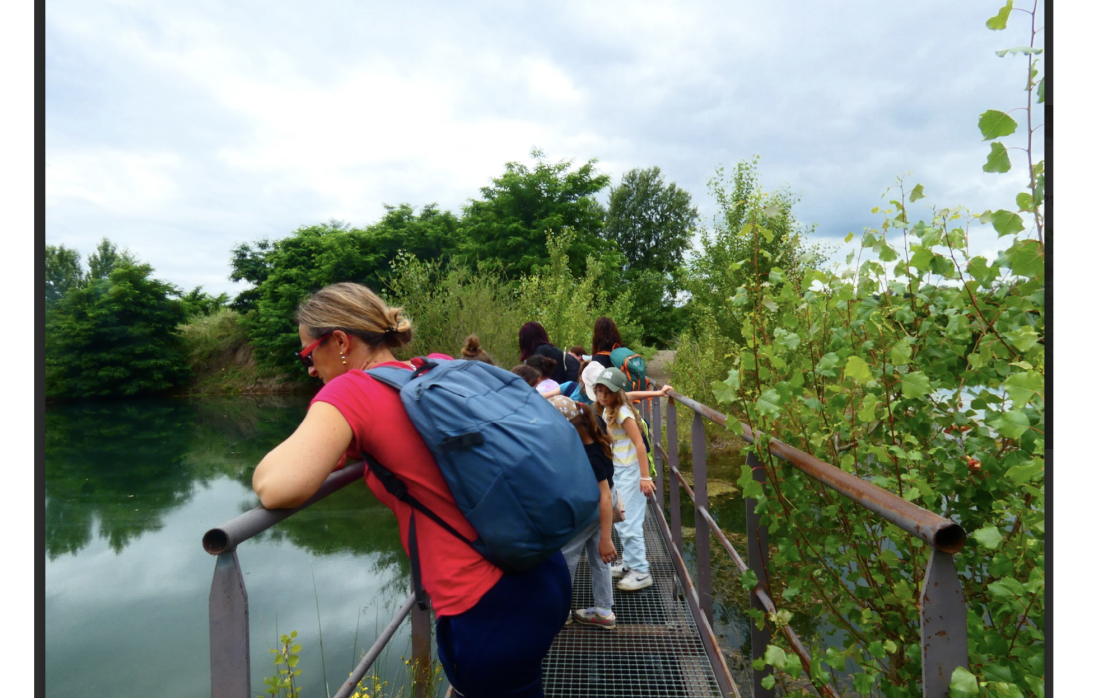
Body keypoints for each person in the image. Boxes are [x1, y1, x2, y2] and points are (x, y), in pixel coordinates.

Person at [251, 282, 570, 698]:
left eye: (308, 355)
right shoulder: (432, 367)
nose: (310, 370)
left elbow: (277, 487)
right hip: (542, 570)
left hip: (486, 602)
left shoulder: (352, 391)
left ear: (341, 342)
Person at [592, 367, 669, 592]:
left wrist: (645, 477)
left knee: (628, 522)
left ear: (617, 393)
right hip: (619, 469)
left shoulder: (623, 413)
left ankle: (641, 572)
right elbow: (633, 396)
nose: (603, 395)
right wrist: (658, 393)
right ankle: (628, 564)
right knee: (623, 520)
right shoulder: (611, 406)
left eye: (608, 392)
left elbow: (639, 445)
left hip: (631, 471)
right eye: (599, 391)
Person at [547, 395, 619, 629]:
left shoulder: (590, 456)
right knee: (599, 559)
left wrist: (607, 539)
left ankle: (562, 611)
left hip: (596, 506)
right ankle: (603, 611)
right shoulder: (592, 420)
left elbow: (604, 496)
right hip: (606, 496)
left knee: (565, 555)